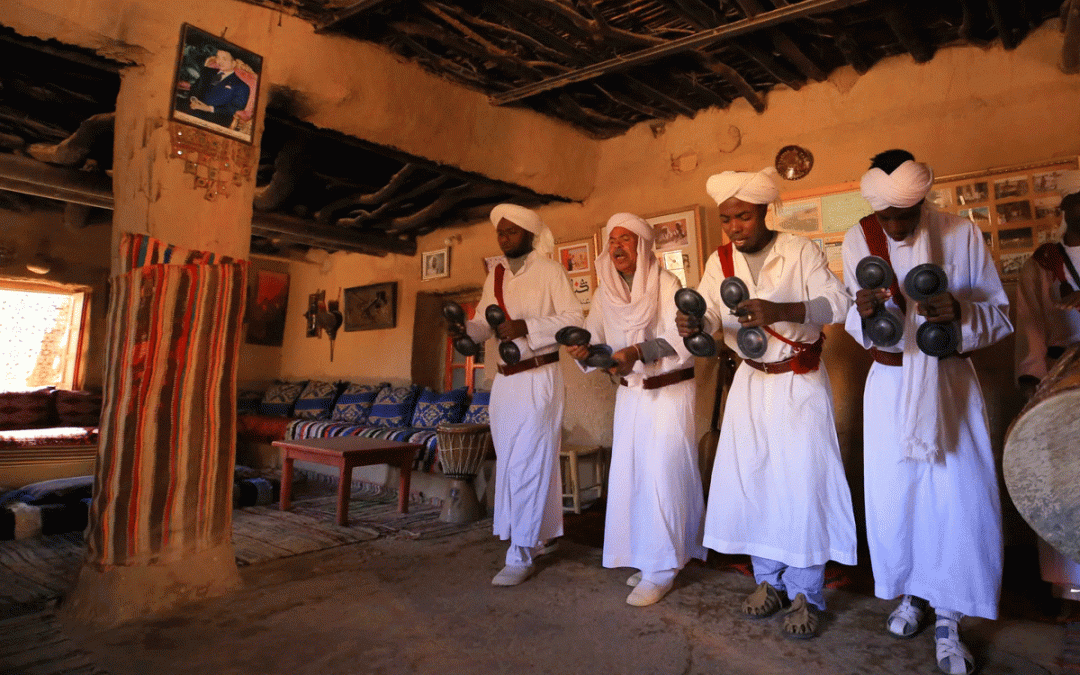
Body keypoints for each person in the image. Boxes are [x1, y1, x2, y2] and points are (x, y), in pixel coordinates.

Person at [842, 150, 1012, 675]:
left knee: (957, 499)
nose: (893, 227)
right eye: (886, 217)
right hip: (890, 386)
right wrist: (864, 313)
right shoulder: (858, 239)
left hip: (949, 386)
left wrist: (961, 311)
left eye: (905, 216)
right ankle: (912, 594)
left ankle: (949, 615)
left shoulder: (960, 234)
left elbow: (1000, 315)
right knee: (898, 497)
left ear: (923, 201)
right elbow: (856, 315)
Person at [677, 168, 856, 639]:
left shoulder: (799, 250)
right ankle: (769, 581)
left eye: (744, 217)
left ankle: (806, 592)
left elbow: (838, 304)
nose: (735, 227)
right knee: (753, 480)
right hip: (750, 385)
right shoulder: (719, 261)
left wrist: (782, 310)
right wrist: (695, 324)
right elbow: (712, 312)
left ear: (764, 212)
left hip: (798, 382)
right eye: (727, 219)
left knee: (801, 486)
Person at [566, 212, 706, 607]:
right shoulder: (604, 293)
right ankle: (648, 557)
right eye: (613, 241)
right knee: (634, 477)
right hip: (630, 394)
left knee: (663, 475)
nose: (618, 247)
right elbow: (598, 343)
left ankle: (662, 568)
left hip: (669, 394)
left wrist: (635, 352)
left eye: (626, 240)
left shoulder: (666, 284)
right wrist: (587, 351)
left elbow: (677, 341)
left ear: (642, 246)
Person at [451, 204, 583, 586]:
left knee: (529, 461)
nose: (504, 237)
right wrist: (465, 331)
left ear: (528, 233)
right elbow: (480, 321)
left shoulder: (550, 271)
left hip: (539, 377)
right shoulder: (496, 276)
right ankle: (542, 534)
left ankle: (520, 552)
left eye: (511, 231)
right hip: (505, 382)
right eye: (501, 232)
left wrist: (528, 326)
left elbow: (575, 319)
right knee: (513, 464)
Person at [1013, 170, 1080, 611]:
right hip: (1060, 377)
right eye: (1073, 207)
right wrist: (1033, 380)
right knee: (1062, 479)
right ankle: (1068, 584)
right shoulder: (1043, 262)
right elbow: (1030, 322)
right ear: (1063, 213)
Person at [186, 49, 251, 128]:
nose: (219, 62)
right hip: (192, 109)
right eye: (218, 57)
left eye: (224, 59)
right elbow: (194, 88)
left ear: (233, 63)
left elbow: (235, 107)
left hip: (216, 118)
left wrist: (209, 108)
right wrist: (194, 100)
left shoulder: (242, 86)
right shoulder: (207, 72)